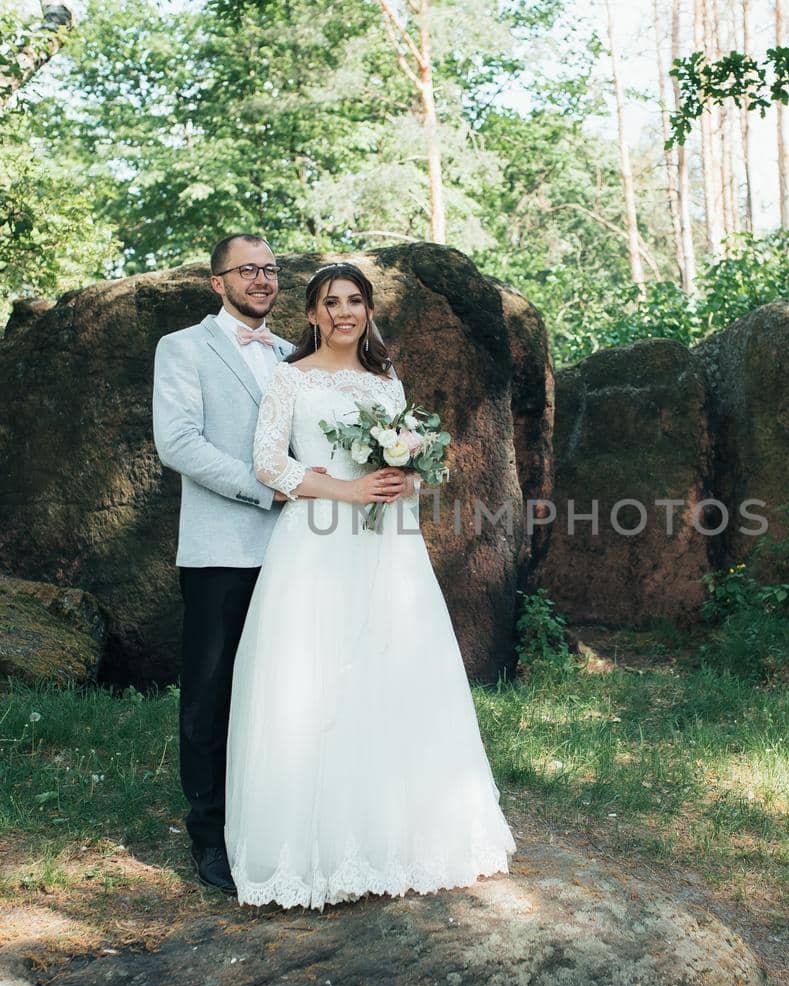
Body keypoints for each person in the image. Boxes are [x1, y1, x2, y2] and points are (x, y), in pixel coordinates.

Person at [224, 261, 518, 910]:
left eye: (354, 301)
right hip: (316, 541)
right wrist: (347, 489)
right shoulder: (288, 380)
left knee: (392, 672)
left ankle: (401, 835)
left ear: (368, 311)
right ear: (310, 314)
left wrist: (405, 480)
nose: (343, 313)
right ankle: (315, 849)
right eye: (330, 302)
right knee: (315, 678)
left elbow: (410, 466)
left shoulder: (387, 384)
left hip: (387, 546)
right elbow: (270, 464)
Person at [152, 233, 323, 897]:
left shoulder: (293, 356)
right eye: (247, 270)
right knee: (210, 694)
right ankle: (211, 837)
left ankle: (272, 824)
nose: (262, 280)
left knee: (282, 692)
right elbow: (179, 443)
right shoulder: (183, 349)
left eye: (271, 270)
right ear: (216, 281)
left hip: (294, 552)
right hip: (221, 549)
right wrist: (267, 485)